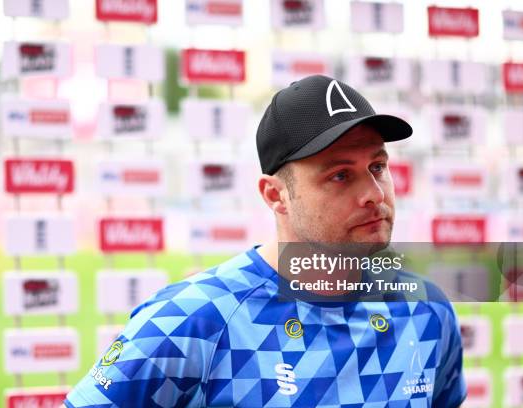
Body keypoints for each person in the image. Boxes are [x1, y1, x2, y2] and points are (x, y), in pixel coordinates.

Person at [63, 75, 466, 407]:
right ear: (276, 195)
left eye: (377, 167)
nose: (375, 194)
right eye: (340, 175)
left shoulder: (426, 311)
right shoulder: (191, 321)